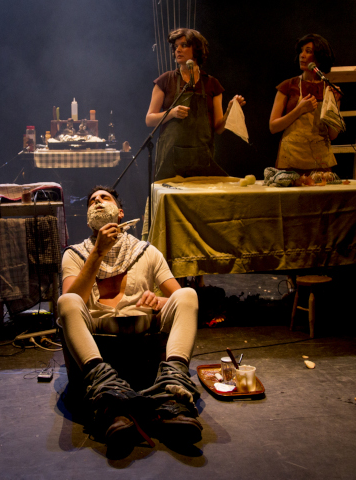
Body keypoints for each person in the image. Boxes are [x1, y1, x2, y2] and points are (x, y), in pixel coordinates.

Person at [57, 185, 202, 450]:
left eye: (105, 198)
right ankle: (108, 397)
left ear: (120, 213)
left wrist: (158, 301)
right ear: (88, 218)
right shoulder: (74, 254)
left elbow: (178, 297)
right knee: (66, 301)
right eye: (92, 201)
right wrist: (97, 252)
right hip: (96, 325)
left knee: (189, 295)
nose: (98, 202)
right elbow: (71, 298)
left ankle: (173, 392)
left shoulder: (147, 251)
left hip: (142, 322)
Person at [146, 28, 246, 181]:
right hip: (170, 160)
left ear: (197, 49)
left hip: (202, 159)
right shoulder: (165, 80)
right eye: (176, 46)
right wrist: (171, 113)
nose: (178, 50)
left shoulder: (212, 84)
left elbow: (218, 129)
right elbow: (149, 119)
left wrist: (229, 111)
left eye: (184, 45)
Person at [269, 33, 341, 174]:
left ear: (319, 58)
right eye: (301, 51)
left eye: (308, 51)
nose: (302, 55)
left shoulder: (329, 89)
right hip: (291, 160)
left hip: (320, 163)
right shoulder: (288, 86)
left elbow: (333, 135)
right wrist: (299, 110)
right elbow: (273, 127)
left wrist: (334, 103)